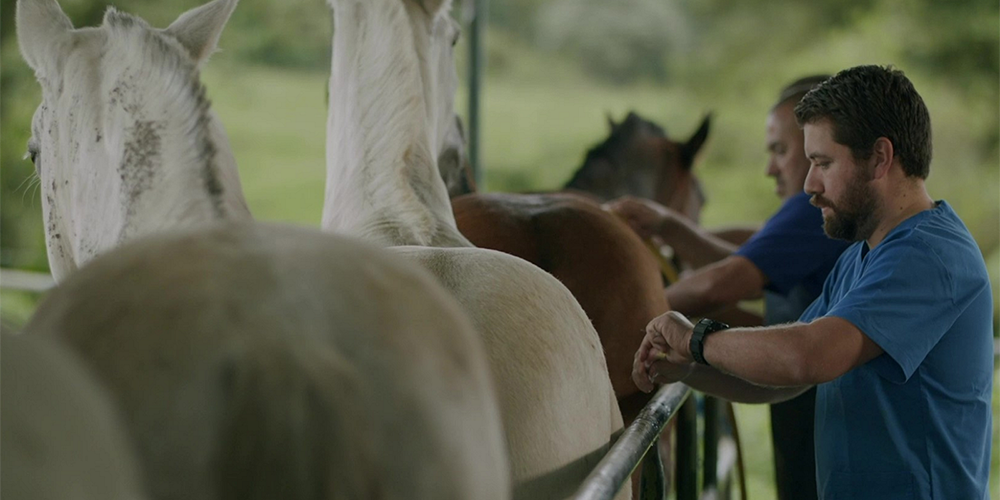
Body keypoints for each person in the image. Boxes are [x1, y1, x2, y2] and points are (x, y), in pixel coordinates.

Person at [634, 65, 993, 500]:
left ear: (880, 158)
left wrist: (696, 338)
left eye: (822, 163)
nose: (809, 184)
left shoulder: (928, 256)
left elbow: (807, 357)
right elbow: (786, 379)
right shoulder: (862, 257)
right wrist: (688, 370)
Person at [607, 75, 849, 500]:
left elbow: (724, 281)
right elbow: (751, 247)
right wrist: (668, 226)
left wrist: (618, 309)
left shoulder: (812, 211)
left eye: (782, 150)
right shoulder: (825, 224)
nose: (770, 168)